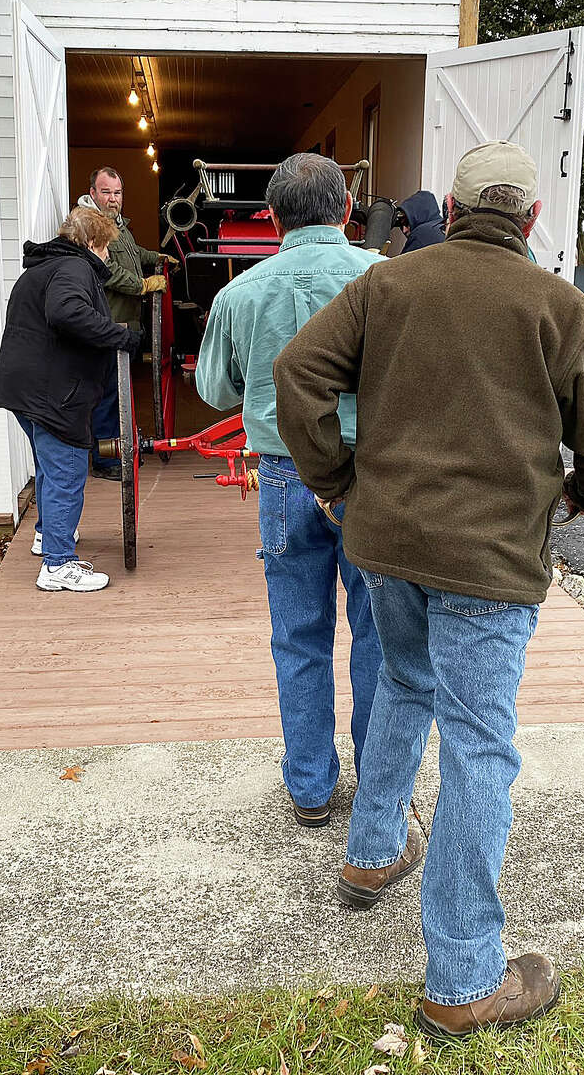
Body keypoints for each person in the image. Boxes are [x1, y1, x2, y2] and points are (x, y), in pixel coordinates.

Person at [273, 141, 584, 1036]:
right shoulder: (560, 307)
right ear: (530, 220)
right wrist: (581, 496)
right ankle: (465, 980)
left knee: (404, 683)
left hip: (385, 543)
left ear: (451, 203)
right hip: (489, 559)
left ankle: (371, 856)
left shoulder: (388, 284)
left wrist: (336, 482)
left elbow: (298, 375)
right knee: (482, 746)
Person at [195, 153, 383, 829]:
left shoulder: (241, 294)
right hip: (372, 476)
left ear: (271, 219)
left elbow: (216, 390)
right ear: (345, 211)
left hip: (283, 472)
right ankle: (378, 780)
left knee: (299, 637)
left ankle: (309, 788)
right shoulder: (385, 280)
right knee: (378, 635)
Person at [0, 207, 136, 592]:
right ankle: (58, 564)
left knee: (49, 467)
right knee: (67, 472)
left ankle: (47, 536)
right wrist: (118, 335)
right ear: (92, 242)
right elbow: (66, 311)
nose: (107, 257)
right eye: (106, 248)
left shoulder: (42, 268)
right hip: (54, 392)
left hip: (24, 387)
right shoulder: (75, 268)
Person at [78, 166, 176, 480]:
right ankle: (106, 461)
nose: (113, 198)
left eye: (117, 193)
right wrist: (144, 285)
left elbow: (131, 254)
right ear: (93, 193)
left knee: (121, 393)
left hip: (126, 324)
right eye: (106, 192)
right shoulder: (90, 226)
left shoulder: (117, 224)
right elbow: (107, 272)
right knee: (108, 394)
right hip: (109, 323)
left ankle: (119, 452)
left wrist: (157, 257)